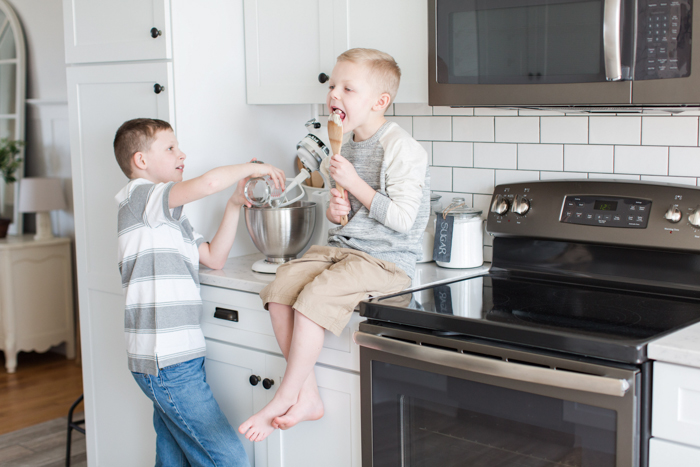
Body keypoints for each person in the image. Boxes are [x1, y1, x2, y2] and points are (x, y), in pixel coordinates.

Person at [239, 48, 430, 442]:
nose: (334, 94)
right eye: (332, 85)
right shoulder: (338, 147)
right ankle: (308, 396)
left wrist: (356, 183)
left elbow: (402, 220)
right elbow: (343, 217)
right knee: (280, 289)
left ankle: (285, 395)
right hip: (346, 251)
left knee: (315, 297)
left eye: (348, 88)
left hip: (386, 261)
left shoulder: (401, 148)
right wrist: (337, 209)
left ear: (380, 102)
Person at [113, 118, 285, 466]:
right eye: (170, 148)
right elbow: (208, 182)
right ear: (141, 161)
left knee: (173, 456)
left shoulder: (170, 217)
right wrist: (258, 167)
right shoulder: (140, 198)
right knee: (227, 459)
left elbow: (213, 256)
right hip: (167, 362)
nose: (182, 154)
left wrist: (235, 203)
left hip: (176, 359)